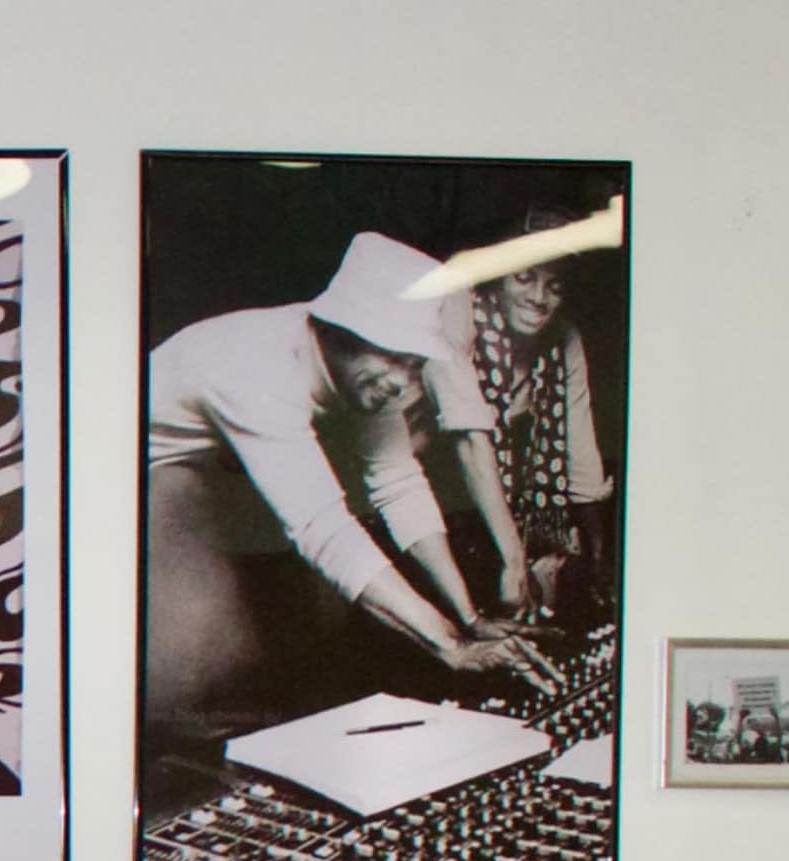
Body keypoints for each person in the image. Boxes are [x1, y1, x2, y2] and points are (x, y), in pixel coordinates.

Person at [139, 230, 544, 807]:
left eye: (413, 365)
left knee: (318, 621)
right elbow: (324, 531)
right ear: (335, 330)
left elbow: (398, 486)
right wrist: (449, 647)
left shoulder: (369, 375)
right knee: (206, 661)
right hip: (129, 470)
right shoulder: (257, 370)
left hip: (222, 474)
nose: (402, 383)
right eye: (391, 359)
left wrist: (469, 617)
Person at [454, 213, 616, 622]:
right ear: (497, 278)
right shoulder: (460, 327)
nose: (538, 297)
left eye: (554, 285)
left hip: (516, 520)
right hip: (448, 512)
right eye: (524, 278)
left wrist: (599, 559)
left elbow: (581, 453)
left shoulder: (565, 340)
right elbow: (467, 447)